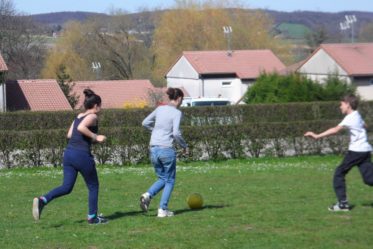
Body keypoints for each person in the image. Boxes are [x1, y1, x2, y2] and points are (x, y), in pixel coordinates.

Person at [32, 89, 108, 224]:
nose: (101, 108)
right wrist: (96, 136)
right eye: (100, 105)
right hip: (82, 156)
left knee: (66, 187)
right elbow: (81, 129)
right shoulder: (93, 117)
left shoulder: (78, 116)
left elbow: (69, 135)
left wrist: (91, 140)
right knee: (93, 186)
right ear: (96, 105)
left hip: (69, 155)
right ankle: (92, 217)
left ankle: (43, 200)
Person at [304, 94, 373, 211]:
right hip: (365, 151)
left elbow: (335, 130)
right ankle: (343, 203)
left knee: (339, 173)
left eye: (341, 104)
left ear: (348, 105)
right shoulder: (357, 115)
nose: (340, 107)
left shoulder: (350, 117)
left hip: (356, 151)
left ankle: (343, 204)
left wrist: (317, 136)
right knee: (369, 179)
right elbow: (365, 125)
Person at [140, 87, 188, 217]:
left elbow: (145, 123)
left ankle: (147, 195)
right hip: (166, 149)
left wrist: (155, 131)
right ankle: (162, 209)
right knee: (170, 180)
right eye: (182, 100)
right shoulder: (177, 113)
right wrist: (184, 146)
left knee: (162, 178)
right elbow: (176, 133)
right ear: (178, 99)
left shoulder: (159, 109)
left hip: (153, 148)